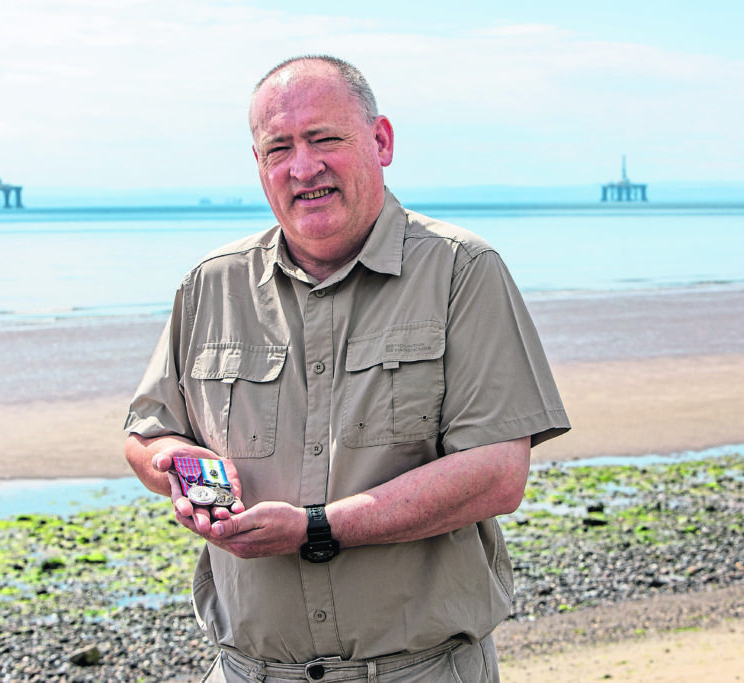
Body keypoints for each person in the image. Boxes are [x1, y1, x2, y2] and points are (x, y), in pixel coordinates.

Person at [124, 55, 570, 682]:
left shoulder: (462, 271)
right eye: (278, 148)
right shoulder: (211, 284)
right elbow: (148, 433)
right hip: (244, 671)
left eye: (324, 139)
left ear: (381, 141)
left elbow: (498, 474)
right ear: (258, 166)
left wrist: (316, 528)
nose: (303, 168)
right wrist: (177, 467)